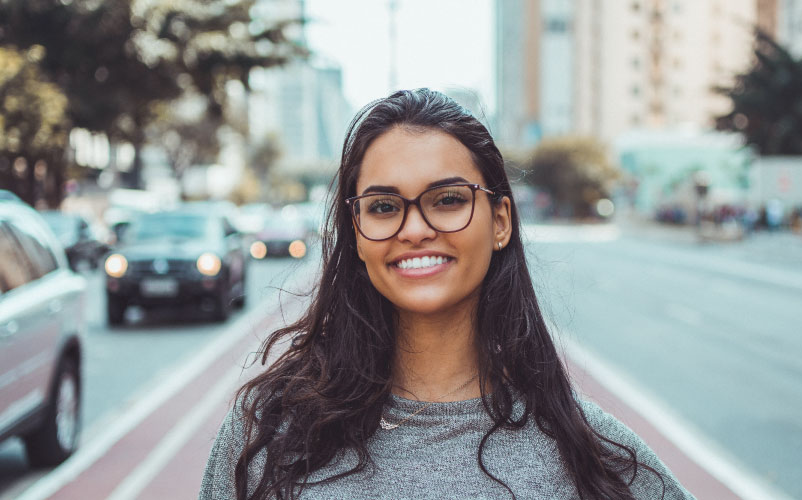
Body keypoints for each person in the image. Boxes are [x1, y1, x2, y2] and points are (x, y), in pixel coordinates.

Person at [199, 89, 694, 500]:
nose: (414, 229)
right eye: (384, 206)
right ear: (355, 233)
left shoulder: (592, 457)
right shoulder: (267, 436)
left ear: (499, 221)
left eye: (449, 200)